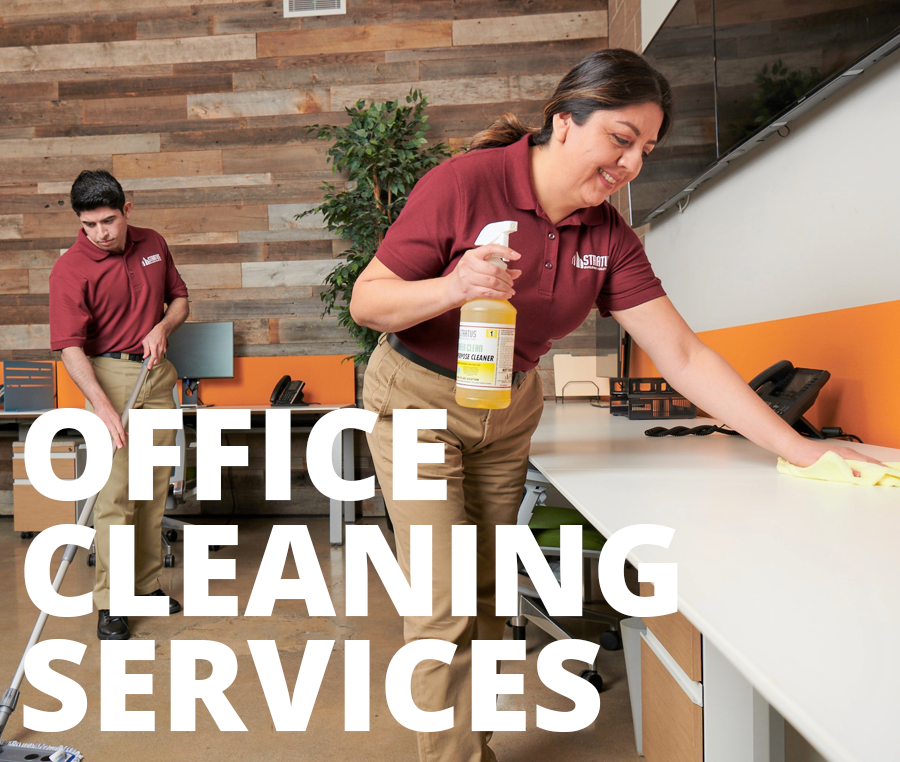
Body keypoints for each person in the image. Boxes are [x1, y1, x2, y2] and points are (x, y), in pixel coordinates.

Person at [349, 49, 878, 762]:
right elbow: (368, 301)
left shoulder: (609, 238)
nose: (630, 165)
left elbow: (684, 357)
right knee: (441, 605)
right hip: (414, 399)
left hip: (508, 408)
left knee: (482, 588)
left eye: (645, 150)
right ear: (564, 123)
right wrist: (451, 288)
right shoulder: (466, 184)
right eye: (620, 140)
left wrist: (804, 449)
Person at [49, 169, 190, 641]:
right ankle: (111, 601)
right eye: (89, 224)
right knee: (115, 499)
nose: (100, 233)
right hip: (107, 376)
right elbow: (70, 348)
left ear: (126, 210)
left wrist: (162, 328)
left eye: (108, 221)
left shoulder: (153, 243)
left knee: (152, 491)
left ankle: (146, 586)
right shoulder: (71, 268)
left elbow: (180, 301)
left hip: (156, 374)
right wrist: (103, 409)